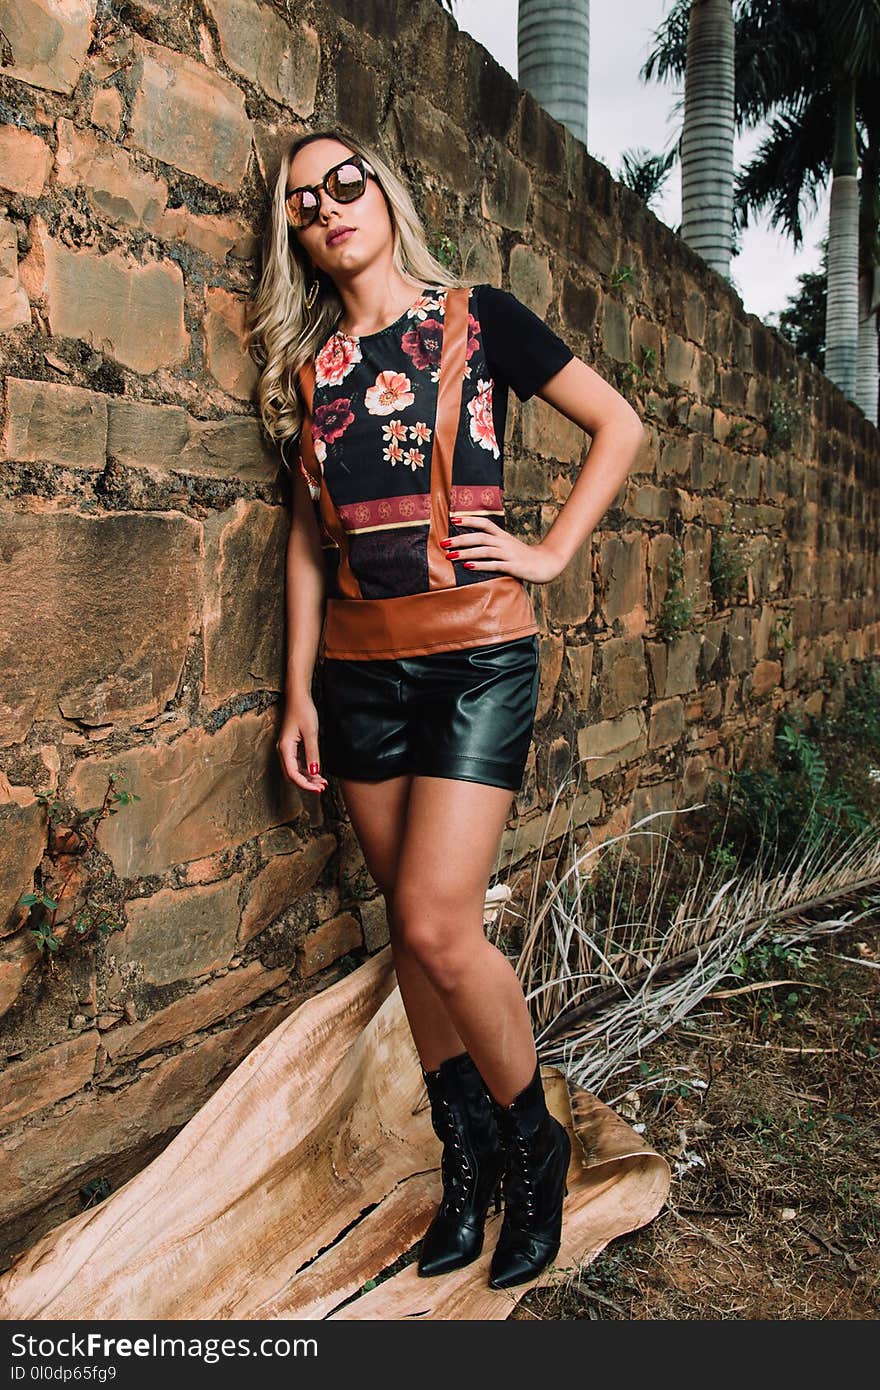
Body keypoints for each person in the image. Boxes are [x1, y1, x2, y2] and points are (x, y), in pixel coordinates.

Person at [247, 127, 644, 1291]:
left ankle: (535, 1151)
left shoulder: (480, 318)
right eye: (302, 203)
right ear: (298, 239)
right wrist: (295, 698)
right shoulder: (308, 373)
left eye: (343, 181)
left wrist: (551, 550)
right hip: (357, 680)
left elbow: (616, 424)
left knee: (434, 923)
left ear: (383, 187)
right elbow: (307, 546)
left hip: (476, 658)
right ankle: (460, 1165)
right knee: (410, 940)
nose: (328, 208)